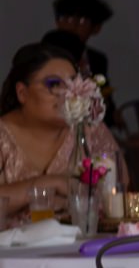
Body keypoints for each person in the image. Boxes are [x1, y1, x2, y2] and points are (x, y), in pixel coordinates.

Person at [0, 42, 121, 213]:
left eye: (73, 84)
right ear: (22, 93)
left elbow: (118, 194)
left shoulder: (91, 129)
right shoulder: (3, 136)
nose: (69, 94)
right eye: (54, 84)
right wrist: (51, 183)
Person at [44, 0, 113, 84]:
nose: (72, 25)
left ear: (96, 28)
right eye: (67, 19)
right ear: (57, 22)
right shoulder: (43, 54)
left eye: (81, 21)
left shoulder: (97, 59)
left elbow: (103, 90)